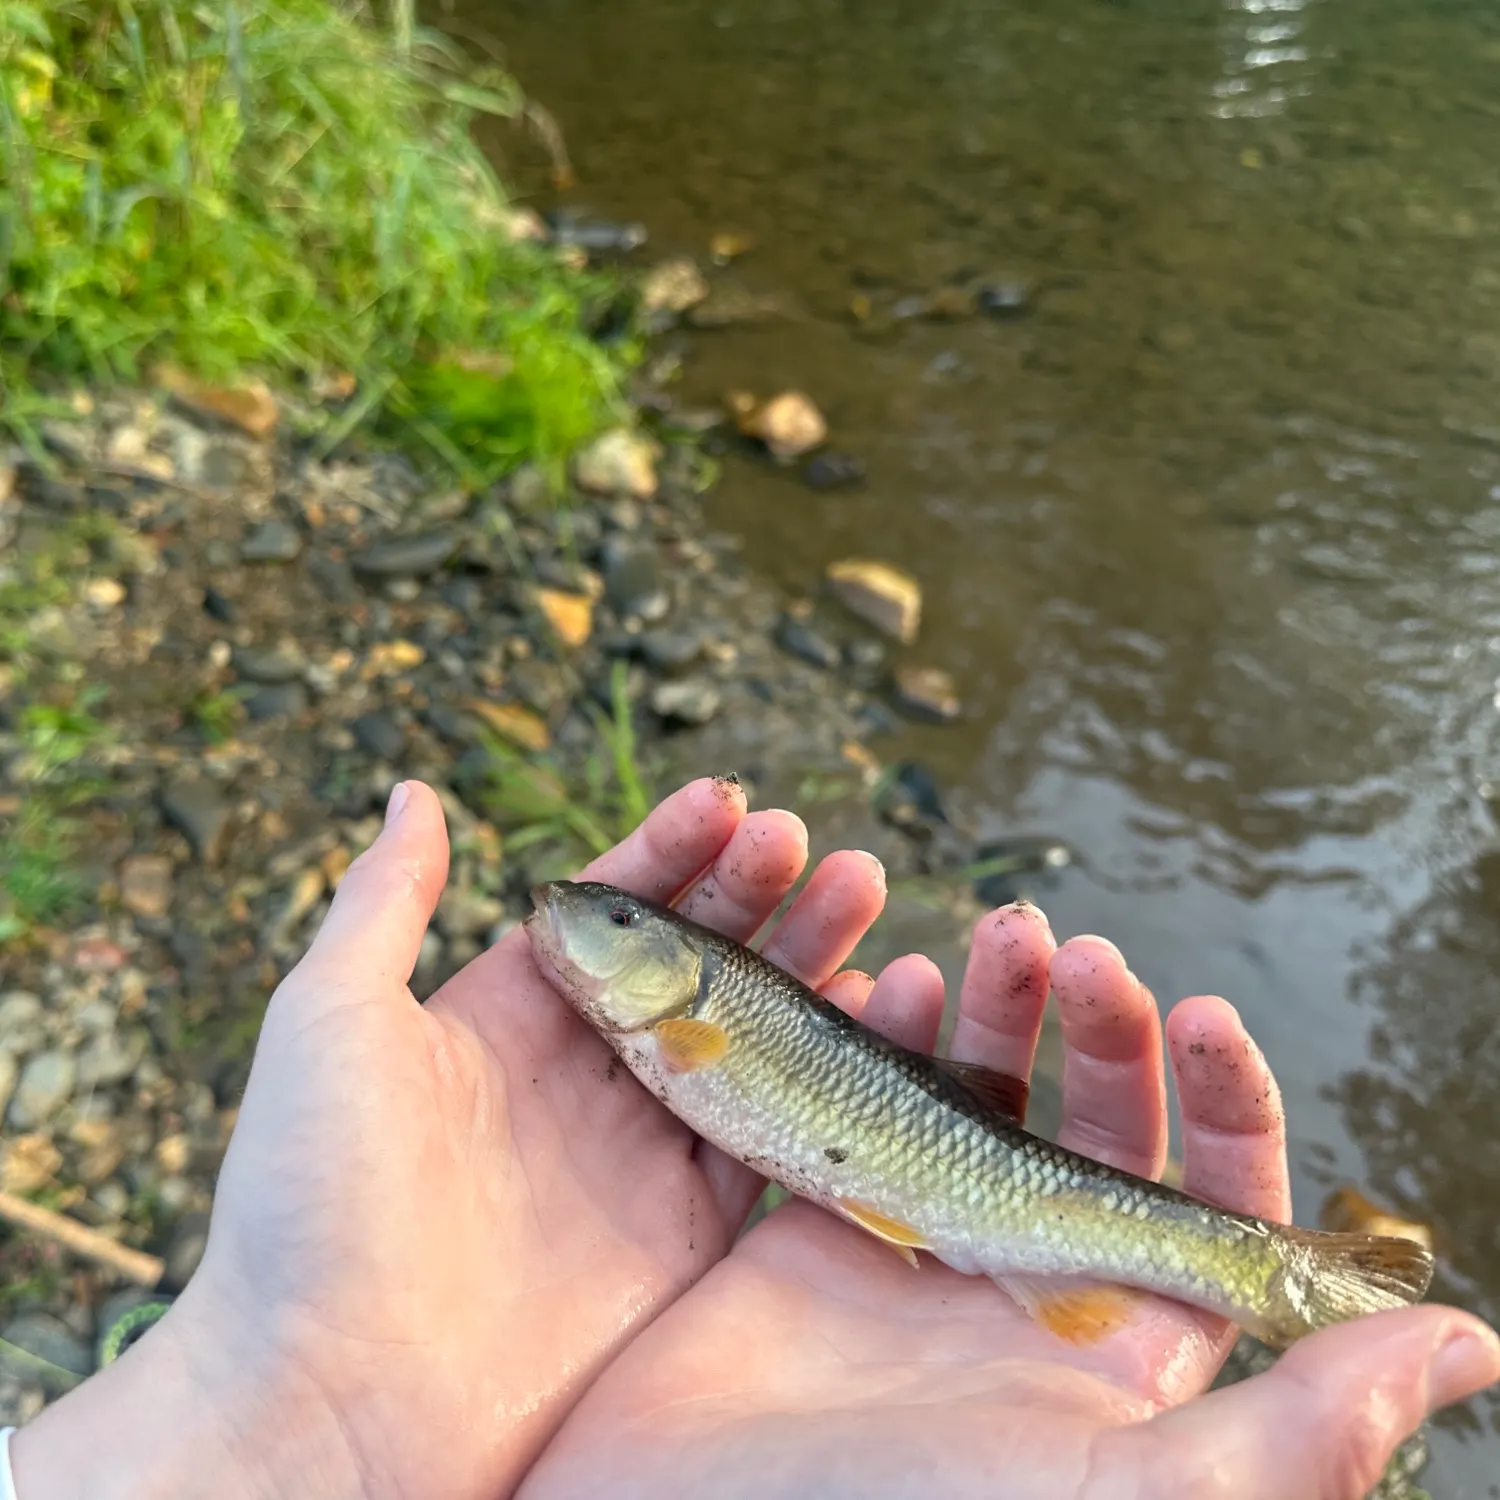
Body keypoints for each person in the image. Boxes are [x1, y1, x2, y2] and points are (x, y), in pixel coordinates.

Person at [5, 778, 1495, 1499]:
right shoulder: (667, 1023)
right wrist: (293, 1408)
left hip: (948, 1177)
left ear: (675, 980)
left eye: (608, 926)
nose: (569, 927)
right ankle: (1283, 1275)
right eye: (600, 923)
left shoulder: (697, 1017)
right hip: (921, 1169)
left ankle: (1287, 1277)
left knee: (1082, 1194)